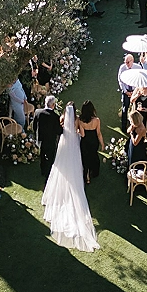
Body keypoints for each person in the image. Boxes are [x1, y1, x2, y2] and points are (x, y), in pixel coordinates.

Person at [42, 102, 100, 252]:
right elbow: (81, 134)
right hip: (73, 143)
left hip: (64, 143)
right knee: (75, 164)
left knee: (60, 166)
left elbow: (61, 127)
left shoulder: (62, 118)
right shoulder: (77, 120)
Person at [33, 95, 63, 179]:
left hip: (40, 139)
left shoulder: (37, 112)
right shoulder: (55, 116)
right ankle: (49, 173)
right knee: (50, 157)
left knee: (42, 155)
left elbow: (34, 126)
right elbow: (58, 131)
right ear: (53, 105)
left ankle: (43, 170)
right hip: (50, 140)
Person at [79, 100, 104, 184]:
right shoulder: (96, 120)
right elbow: (99, 133)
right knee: (94, 155)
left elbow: (82, 135)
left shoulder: (80, 120)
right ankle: (94, 172)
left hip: (85, 141)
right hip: (94, 140)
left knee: (85, 158)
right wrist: (102, 144)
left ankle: (87, 176)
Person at [118, 54, 138, 133]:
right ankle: (123, 126)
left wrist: (135, 92)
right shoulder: (122, 68)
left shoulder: (138, 68)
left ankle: (135, 124)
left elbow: (139, 80)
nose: (126, 64)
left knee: (135, 108)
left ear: (132, 61)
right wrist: (126, 91)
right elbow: (120, 80)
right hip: (126, 90)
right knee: (124, 108)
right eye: (125, 62)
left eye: (128, 62)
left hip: (134, 91)